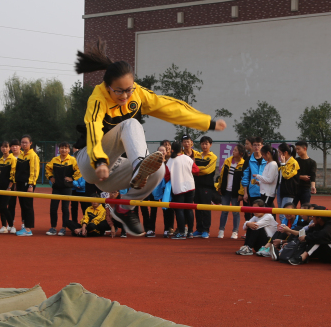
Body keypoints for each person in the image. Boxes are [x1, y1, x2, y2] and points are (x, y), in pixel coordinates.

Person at [74, 39, 225, 236]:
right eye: (119, 91)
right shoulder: (97, 98)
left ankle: (124, 208)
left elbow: (170, 108)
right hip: (91, 161)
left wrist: (208, 123)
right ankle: (139, 166)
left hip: (110, 172)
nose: (125, 96)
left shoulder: (138, 94)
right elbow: (94, 129)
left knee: (159, 170)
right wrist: (100, 160)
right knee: (130, 124)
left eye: (129, 90)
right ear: (108, 87)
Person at [44, 142, 80, 236]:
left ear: (69, 150)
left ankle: (63, 228)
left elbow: (79, 170)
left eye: (65, 148)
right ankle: (53, 227)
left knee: (65, 208)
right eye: (62, 148)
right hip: (56, 187)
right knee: (53, 208)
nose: (63, 150)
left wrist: (72, 178)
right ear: (59, 149)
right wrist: (50, 177)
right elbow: (47, 168)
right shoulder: (54, 160)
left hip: (67, 188)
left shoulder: (72, 160)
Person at [166, 140, 199, 239]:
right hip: (190, 186)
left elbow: (166, 176)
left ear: (172, 150)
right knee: (189, 209)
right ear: (181, 149)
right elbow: (196, 170)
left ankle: (181, 231)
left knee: (179, 210)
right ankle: (190, 232)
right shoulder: (187, 158)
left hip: (178, 188)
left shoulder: (170, 161)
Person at [216, 144, 245, 239]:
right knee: (224, 211)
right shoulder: (228, 161)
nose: (233, 151)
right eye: (233, 150)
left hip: (236, 193)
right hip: (226, 191)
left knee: (236, 212)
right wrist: (220, 186)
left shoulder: (243, 163)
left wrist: (241, 193)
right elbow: (222, 174)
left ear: (240, 153)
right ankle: (221, 230)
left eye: (235, 150)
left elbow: (243, 180)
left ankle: (235, 231)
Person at [14, 135, 41, 236]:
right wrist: (16, 183)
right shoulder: (21, 155)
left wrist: (31, 185)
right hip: (20, 183)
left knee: (28, 206)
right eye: (22, 142)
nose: (24, 144)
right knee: (22, 205)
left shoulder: (33, 155)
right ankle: (25, 225)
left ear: (30, 143)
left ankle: (28, 229)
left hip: (28, 184)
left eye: (26, 142)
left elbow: (34, 171)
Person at [193, 136, 218, 238]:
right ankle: (199, 229)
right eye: (202, 144)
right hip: (196, 185)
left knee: (206, 208)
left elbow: (207, 170)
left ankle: (206, 230)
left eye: (206, 144)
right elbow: (192, 167)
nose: (204, 146)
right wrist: (198, 169)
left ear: (210, 145)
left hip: (207, 186)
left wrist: (197, 169)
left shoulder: (213, 157)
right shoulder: (197, 155)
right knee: (197, 208)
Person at [142, 144, 168, 237]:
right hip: (155, 189)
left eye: (163, 150)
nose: (162, 152)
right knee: (153, 210)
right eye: (160, 151)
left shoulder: (168, 162)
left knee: (166, 210)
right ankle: (151, 229)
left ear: (166, 152)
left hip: (165, 190)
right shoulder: (153, 164)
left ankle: (167, 229)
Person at [0, 141, 17, 234]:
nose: (4, 149)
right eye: (2, 147)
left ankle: (12, 225)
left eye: (6, 147)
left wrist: (10, 186)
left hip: (8, 187)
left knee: (4, 206)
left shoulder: (12, 159)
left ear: (9, 148)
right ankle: (3, 226)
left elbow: (13, 173)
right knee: (1, 207)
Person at [241, 137, 265, 206]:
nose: (256, 147)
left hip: (265, 192)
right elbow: (245, 177)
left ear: (262, 146)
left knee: (266, 214)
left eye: (258, 145)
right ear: (252, 146)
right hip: (252, 192)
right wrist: (245, 193)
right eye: (255, 145)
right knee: (252, 214)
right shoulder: (248, 160)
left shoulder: (266, 160)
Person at [294, 141, 317, 208]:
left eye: (298, 149)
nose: (297, 151)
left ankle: (302, 219)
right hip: (295, 189)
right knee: (291, 208)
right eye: (296, 149)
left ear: (305, 148)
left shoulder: (312, 162)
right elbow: (292, 174)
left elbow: (313, 175)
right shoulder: (295, 161)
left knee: (305, 209)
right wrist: (301, 177)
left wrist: (313, 186)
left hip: (306, 189)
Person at [277, 143, 299, 210]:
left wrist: (283, 165)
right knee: (280, 211)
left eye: (279, 152)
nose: (278, 154)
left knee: (284, 213)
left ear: (285, 153)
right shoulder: (282, 162)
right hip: (281, 188)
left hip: (289, 190)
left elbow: (287, 175)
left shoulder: (293, 163)